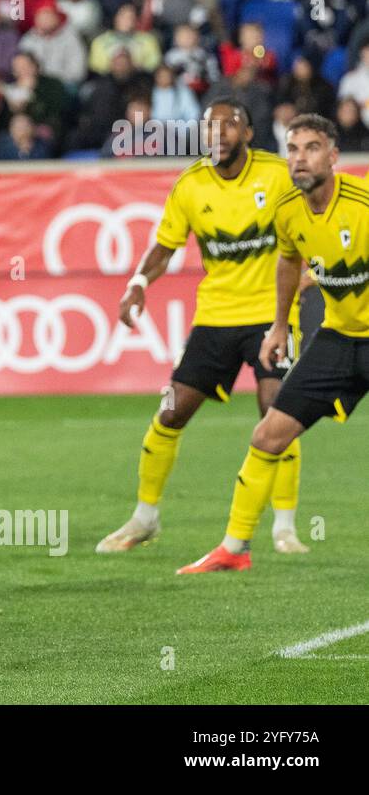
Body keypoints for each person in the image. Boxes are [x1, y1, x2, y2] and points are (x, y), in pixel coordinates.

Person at [99, 100, 306, 555]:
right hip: (215, 318)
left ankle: (285, 528)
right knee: (170, 411)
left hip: (272, 317)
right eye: (210, 125)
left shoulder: (277, 176)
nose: (218, 132)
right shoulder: (191, 185)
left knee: (278, 413)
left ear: (248, 133)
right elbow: (164, 245)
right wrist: (137, 283)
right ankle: (145, 517)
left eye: (229, 124)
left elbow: (312, 222)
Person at [180, 115, 369, 574]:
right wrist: (279, 326)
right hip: (339, 338)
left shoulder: (362, 203)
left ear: (333, 155)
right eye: (292, 149)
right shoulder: (286, 209)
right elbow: (288, 262)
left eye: (310, 147)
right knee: (268, 435)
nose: (299, 158)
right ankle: (234, 548)